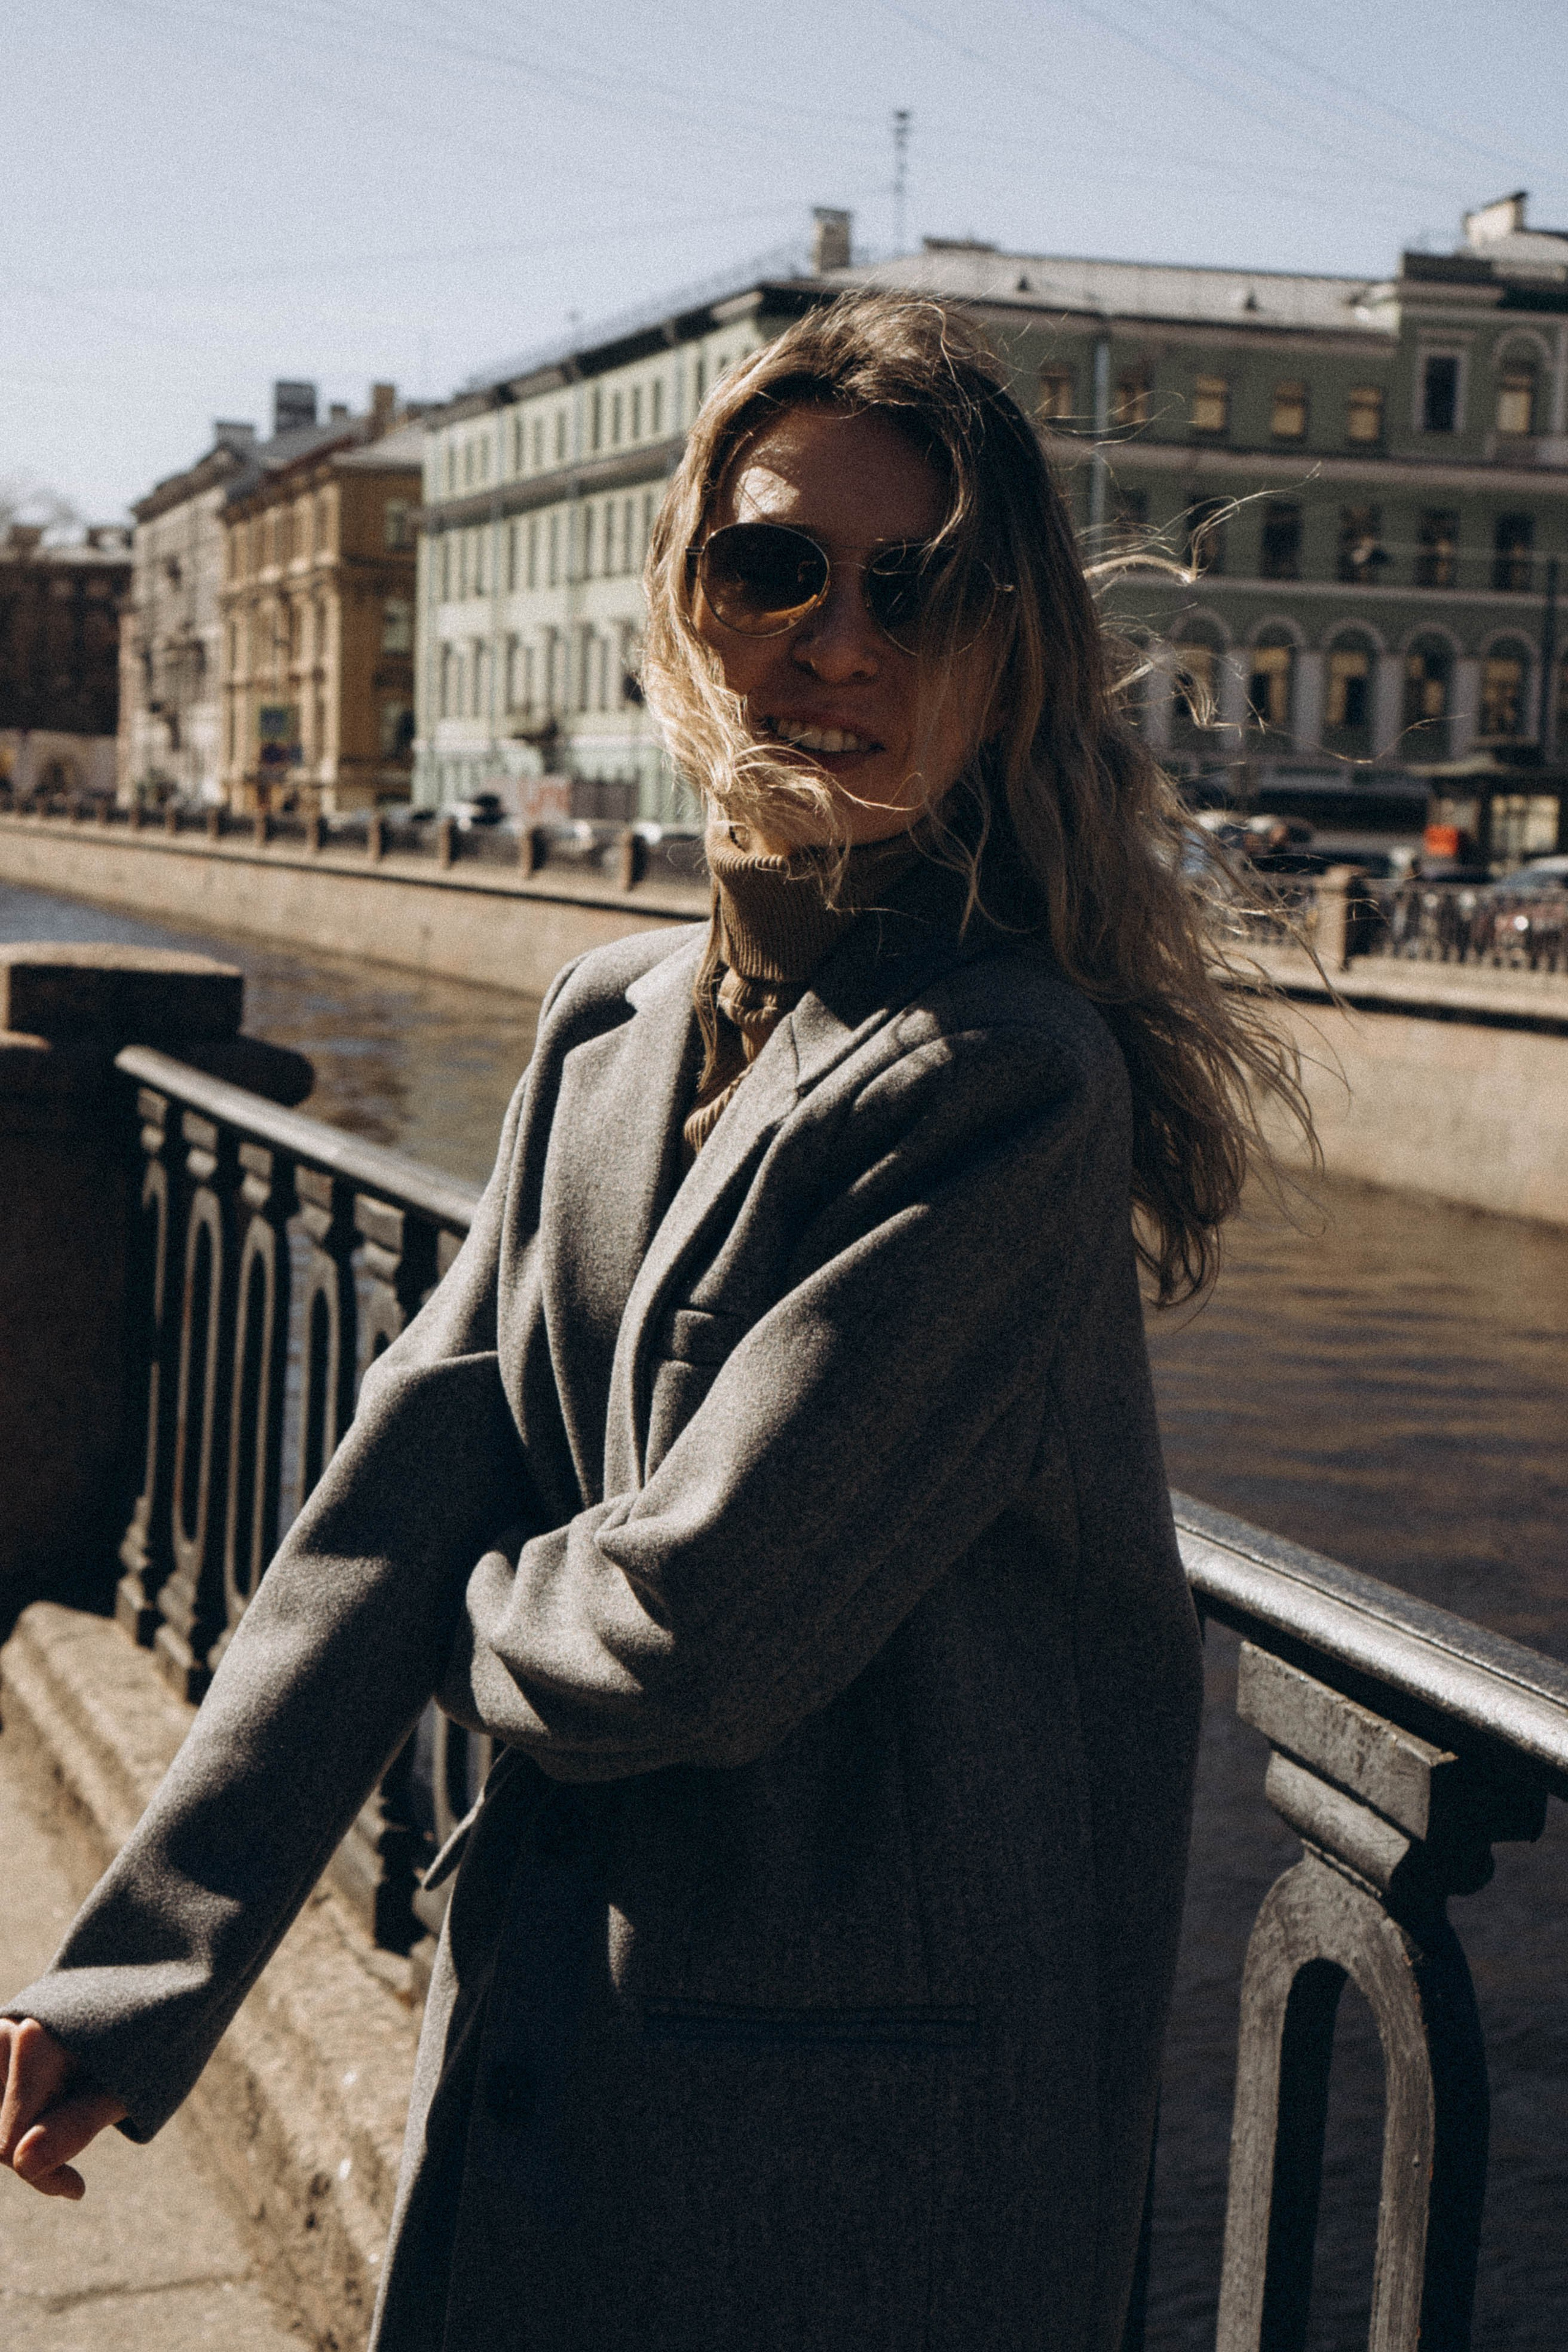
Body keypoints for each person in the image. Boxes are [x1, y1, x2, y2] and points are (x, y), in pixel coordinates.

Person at [0, 295, 1305, 2350]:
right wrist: (140, 1972)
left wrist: (468, 1593)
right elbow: (397, 1480)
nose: (841, 640)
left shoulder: (1007, 1083)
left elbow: (690, 1636)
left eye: (924, 584)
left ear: (1012, 643)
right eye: (773, 563)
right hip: (559, 2047)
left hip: (853, 2161)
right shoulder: (614, 1019)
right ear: (690, 596)